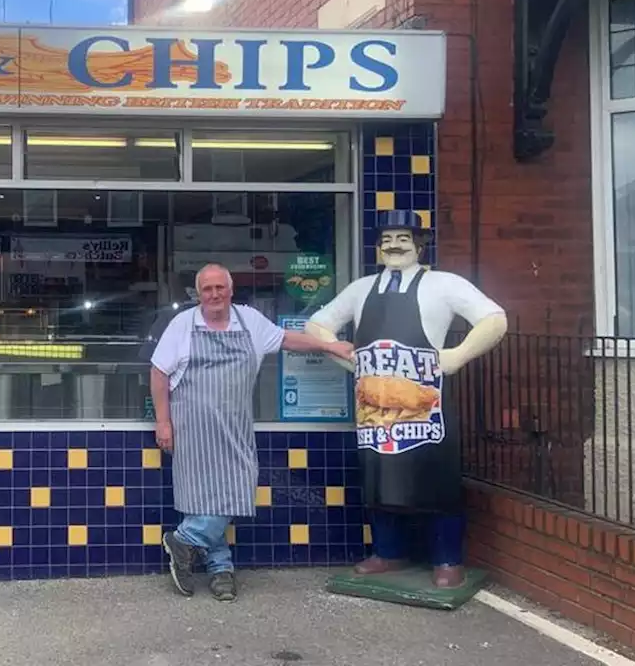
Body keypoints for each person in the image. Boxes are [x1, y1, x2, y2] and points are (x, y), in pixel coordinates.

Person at [305, 209, 507, 588]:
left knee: (437, 481)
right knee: (378, 479)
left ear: (419, 243)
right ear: (378, 246)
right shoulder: (361, 289)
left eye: (402, 238)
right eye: (387, 239)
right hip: (374, 409)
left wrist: (456, 356)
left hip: (428, 410)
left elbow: (494, 318)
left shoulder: (444, 284)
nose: (394, 245)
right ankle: (387, 553)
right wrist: (348, 357)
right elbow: (316, 325)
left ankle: (447, 559)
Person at [149, 264, 353, 602]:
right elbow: (158, 372)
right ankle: (220, 569)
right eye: (207, 289)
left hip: (235, 426)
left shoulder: (250, 321)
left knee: (238, 484)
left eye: (219, 288)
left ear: (230, 290)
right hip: (192, 426)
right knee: (202, 495)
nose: (214, 294)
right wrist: (163, 421)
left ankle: (185, 540)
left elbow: (287, 339)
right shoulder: (183, 325)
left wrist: (329, 347)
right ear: (198, 294)